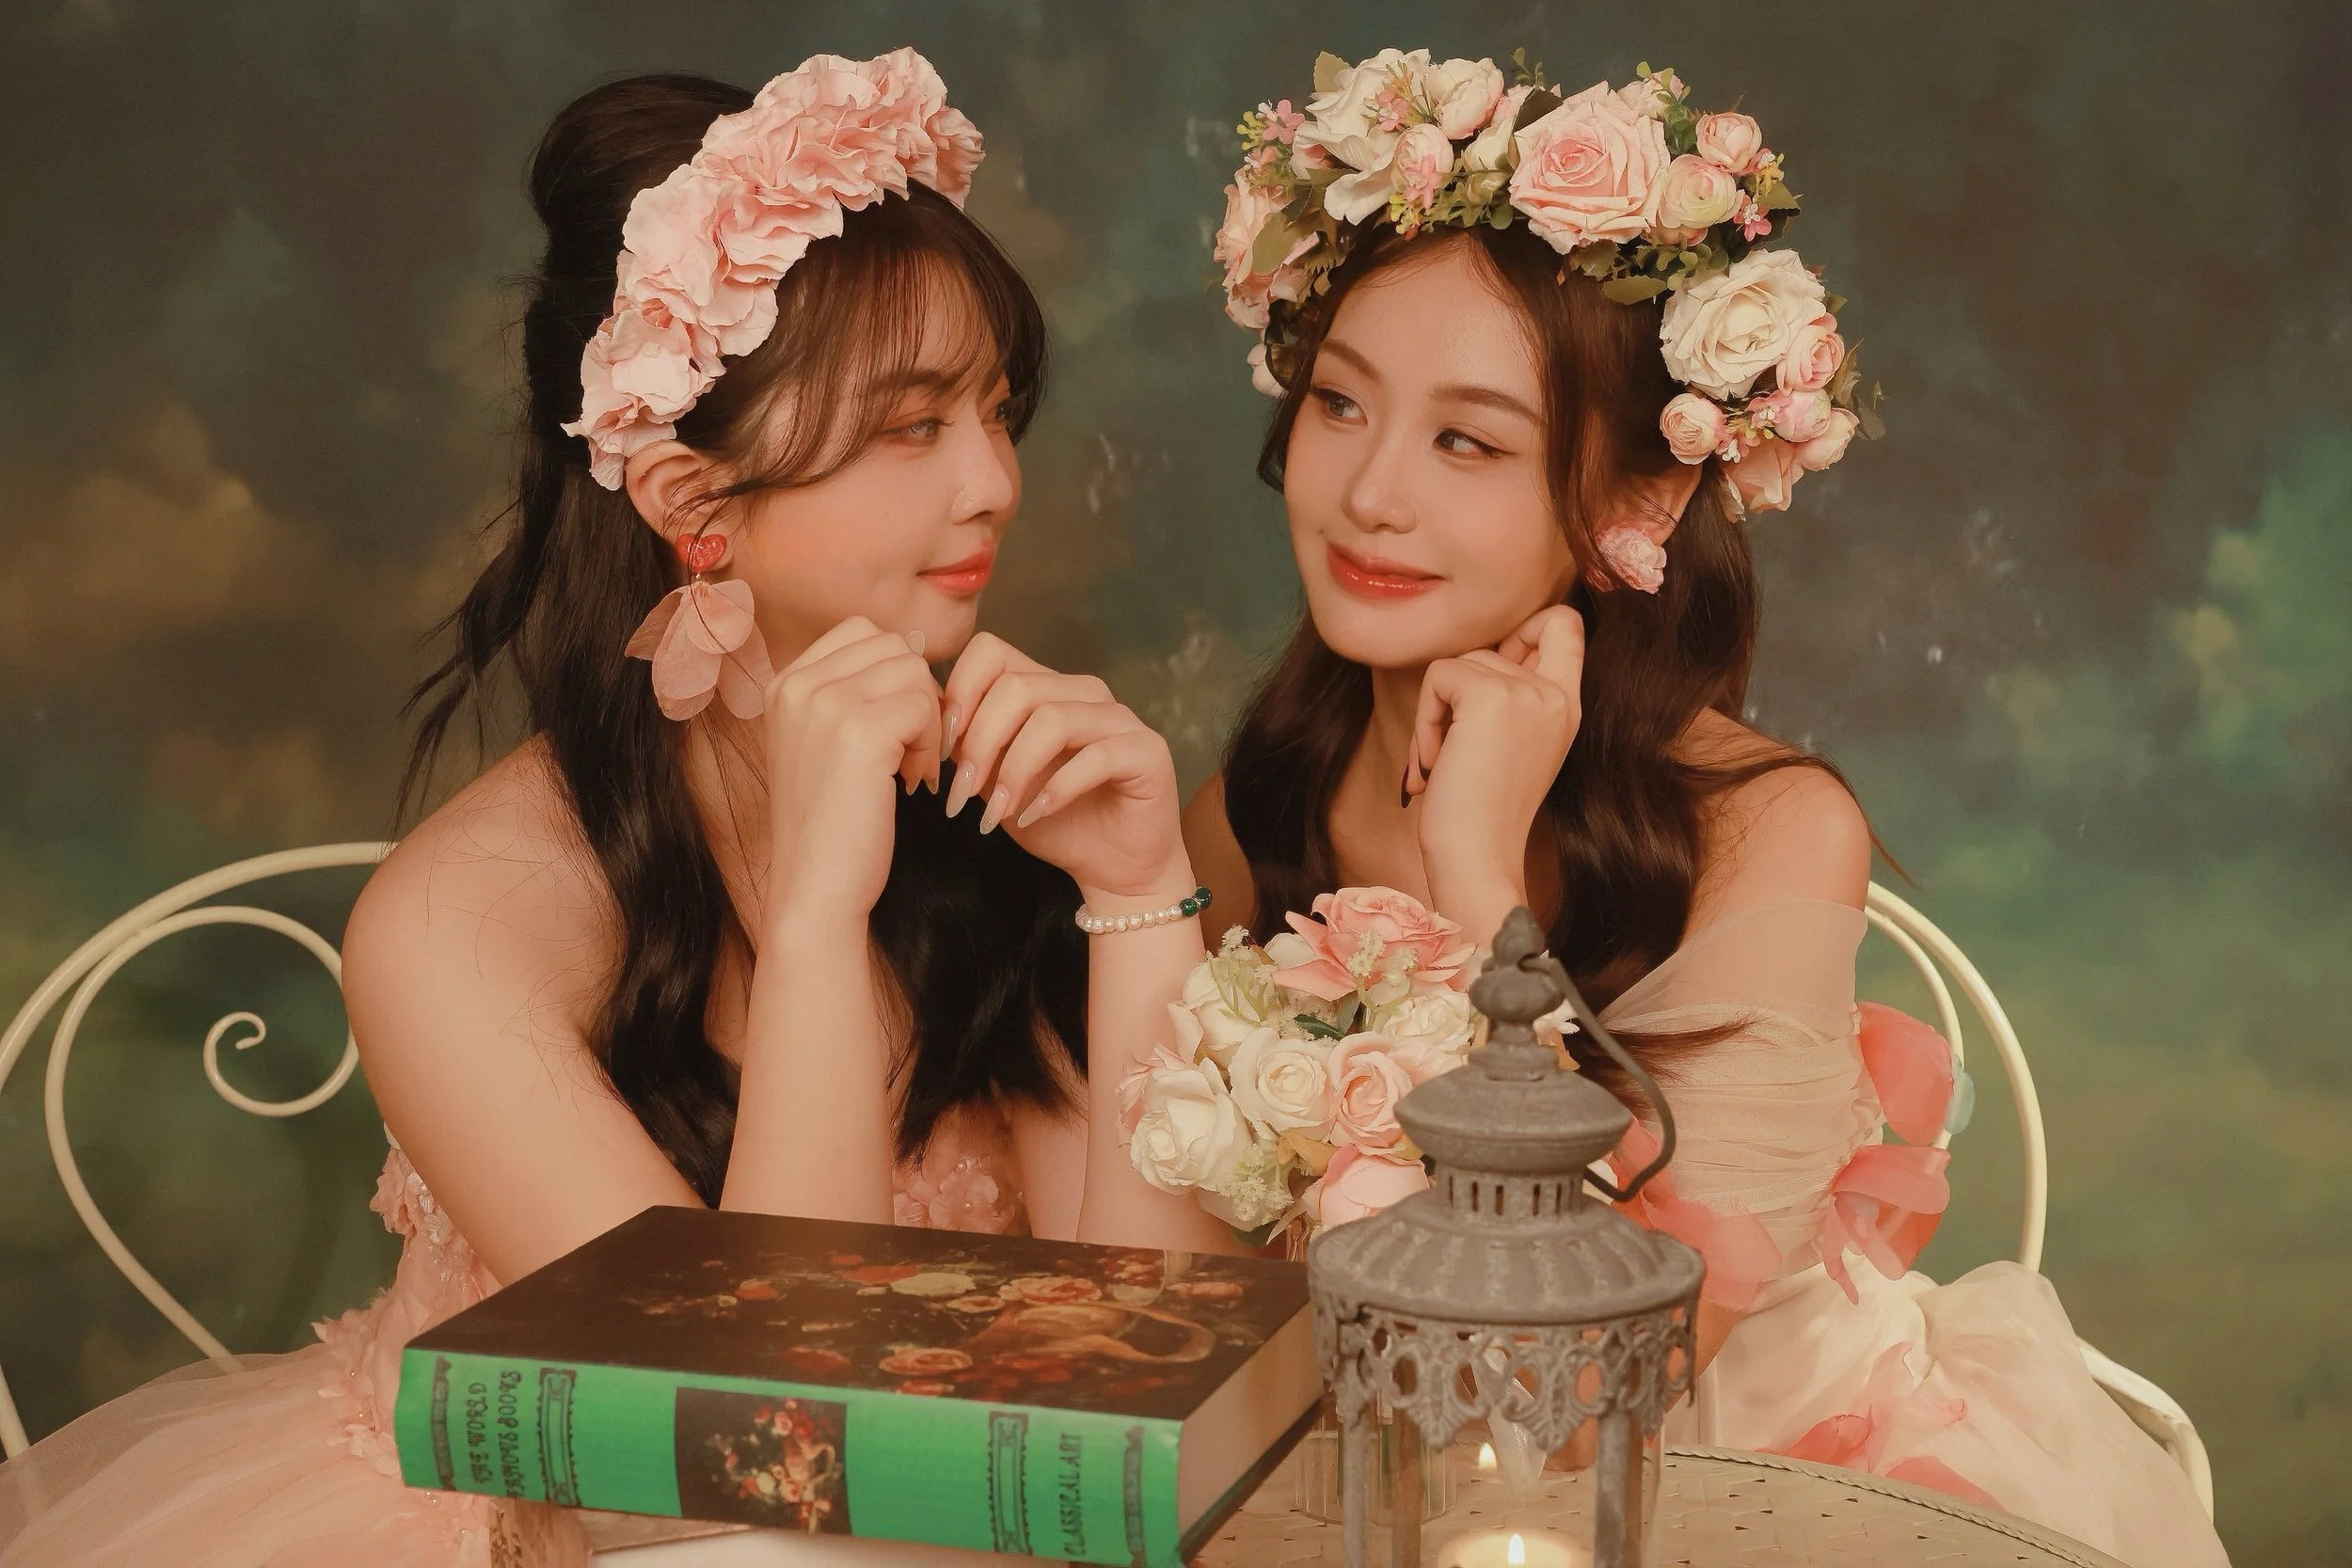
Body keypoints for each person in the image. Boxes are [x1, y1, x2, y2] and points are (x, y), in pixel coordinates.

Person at [0, 53, 1225, 1568]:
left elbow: (1157, 1392)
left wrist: (1138, 887)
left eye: (996, 410)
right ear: (692, 506)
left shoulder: (984, 781)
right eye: (914, 427)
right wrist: (822, 910)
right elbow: (755, 1459)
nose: (993, 483)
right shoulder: (464, 922)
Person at [1183, 49, 2229, 1567]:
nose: (1368, 493)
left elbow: (1611, 1381)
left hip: (1741, 1465)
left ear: (1633, 502)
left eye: (1467, 439)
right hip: (1402, 1486)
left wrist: (1479, 868)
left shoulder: (1774, 829)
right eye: (1341, 405)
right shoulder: (1252, 811)